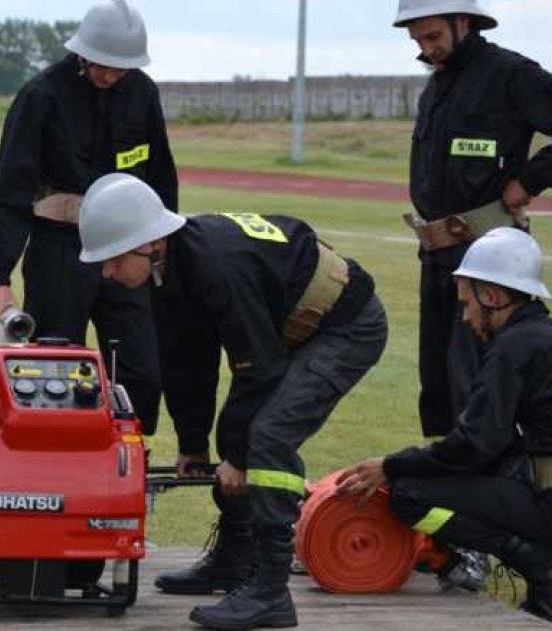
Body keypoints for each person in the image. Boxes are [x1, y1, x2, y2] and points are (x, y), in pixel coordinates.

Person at [77, 173, 387, 631]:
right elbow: (187, 362)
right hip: (294, 327)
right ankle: (235, 561)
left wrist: (238, 455)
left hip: (347, 327)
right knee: (244, 433)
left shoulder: (216, 266)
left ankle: (270, 590)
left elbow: (258, 367)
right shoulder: (171, 271)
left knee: (266, 438)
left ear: (151, 243)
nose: (105, 272)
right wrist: (194, 444)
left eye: (112, 258)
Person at [0, 0, 177, 436]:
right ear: (82, 52)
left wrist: (162, 253)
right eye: (101, 64)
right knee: (53, 371)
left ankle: (128, 460)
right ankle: (54, 460)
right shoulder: (41, 96)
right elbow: (11, 190)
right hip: (60, 252)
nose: (109, 75)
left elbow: (161, 175)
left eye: (120, 68)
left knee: (141, 372)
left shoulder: (142, 93)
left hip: (128, 252)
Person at [338, 228, 552, 624]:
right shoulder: (539, 336)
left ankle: (542, 568)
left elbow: (473, 445)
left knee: (409, 494)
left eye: (467, 303)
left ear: (491, 296)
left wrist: (392, 466)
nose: (466, 317)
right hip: (539, 478)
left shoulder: (512, 349)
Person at [393, 0, 552, 439]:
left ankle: (488, 495)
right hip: (437, 258)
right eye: (418, 40)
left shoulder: (510, 74)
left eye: (434, 36)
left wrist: (529, 180)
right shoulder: (437, 85)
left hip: (486, 258)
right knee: (439, 389)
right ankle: (450, 482)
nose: (426, 49)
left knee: (476, 390)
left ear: (465, 23)